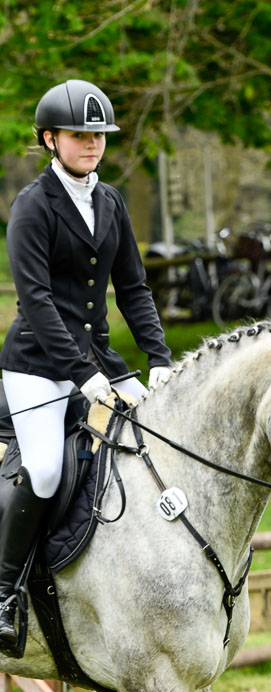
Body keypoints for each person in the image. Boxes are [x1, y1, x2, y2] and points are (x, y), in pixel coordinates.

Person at [0, 79, 173, 648]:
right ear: (51, 139)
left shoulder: (111, 201)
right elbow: (38, 302)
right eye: (80, 135)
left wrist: (160, 358)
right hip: (36, 366)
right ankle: (4, 594)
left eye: (99, 135)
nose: (93, 144)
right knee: (46, 468)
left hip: (97, 356)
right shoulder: (32, 206)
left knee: (157, 440)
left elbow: (134, 286)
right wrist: (85, 377)